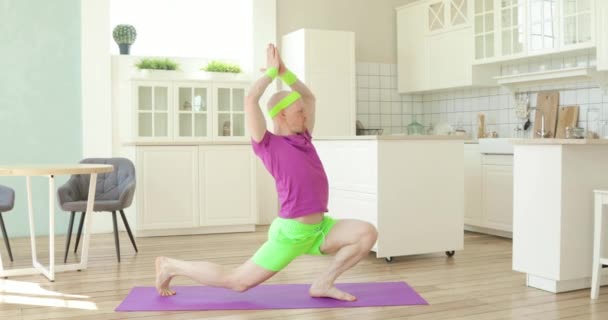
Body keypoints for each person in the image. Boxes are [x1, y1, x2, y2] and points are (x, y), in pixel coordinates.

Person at [155, 44, 378, 301]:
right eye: (299, 112)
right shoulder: (267, 144)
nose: (306, 115)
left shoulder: (303, 137)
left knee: (366, 233)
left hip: (320, 230)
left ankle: (323, 283)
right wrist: (271, 74)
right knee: (237, 282)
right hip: (292, 232)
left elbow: (310, 98)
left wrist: (286, 73)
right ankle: (171, 266)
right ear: (281, 115)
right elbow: (251, 99)